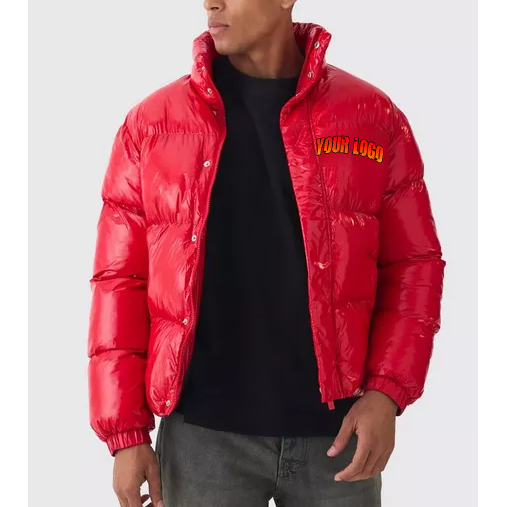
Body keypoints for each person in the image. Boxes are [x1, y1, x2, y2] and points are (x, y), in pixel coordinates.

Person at [87, 1, 446, 506]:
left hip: (340, 438)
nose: (211, 2)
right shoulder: (151, 125)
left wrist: (386, 392)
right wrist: (125, 433)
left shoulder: (371, 117)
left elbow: (413, 265)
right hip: (202, 441)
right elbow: (120, 282)